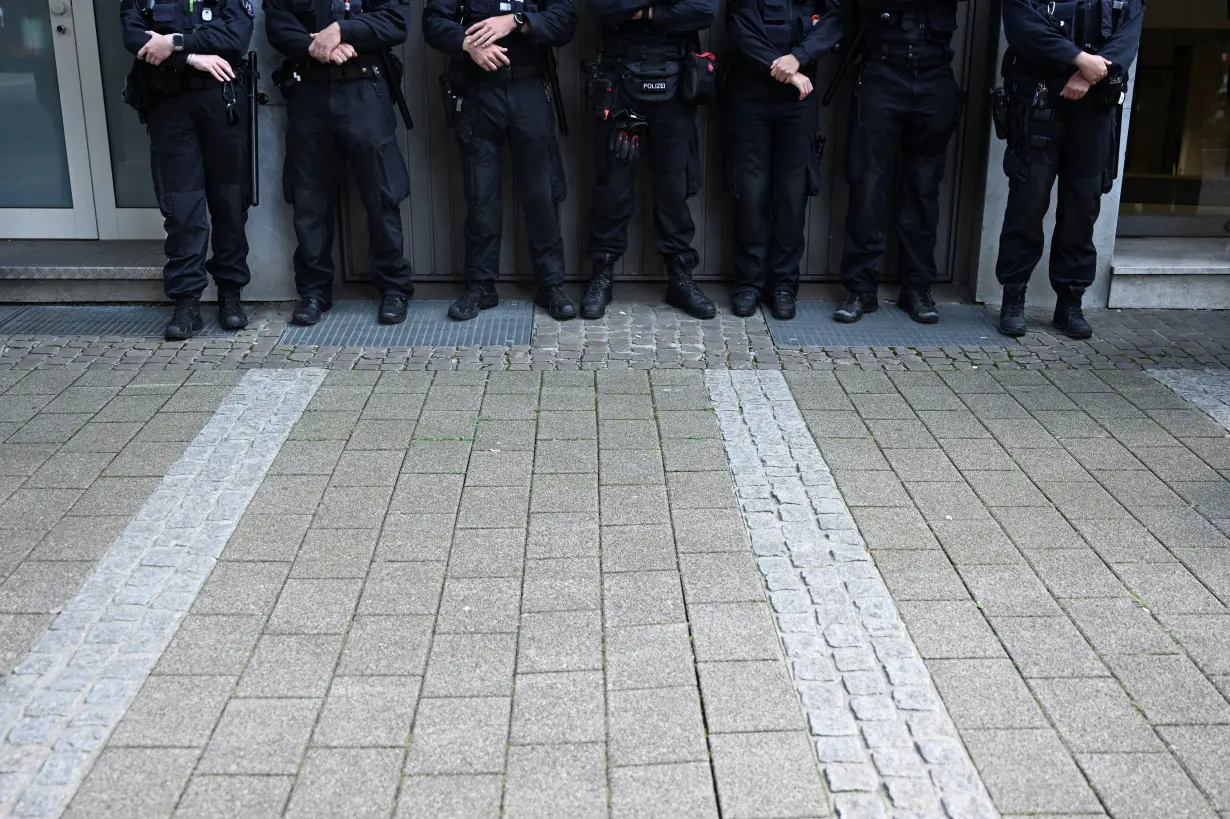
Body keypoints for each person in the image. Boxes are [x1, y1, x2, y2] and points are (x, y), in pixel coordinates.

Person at [995, 0, 1144, 339]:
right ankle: (1013, 296)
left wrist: (1087, 76)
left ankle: (1069, 303)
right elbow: (1023, 29)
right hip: (1038, 102)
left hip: (1094, 109)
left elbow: (1126, 40)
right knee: (1027, 204)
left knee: (1082, 207)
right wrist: (1078, 60)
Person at [423, 0, 578, 321]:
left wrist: (518, 21)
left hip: (529, 87)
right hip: (479, 92)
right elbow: (434, 22)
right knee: (481, 195)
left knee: (542, 192)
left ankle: (550, 283)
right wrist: (467, 44)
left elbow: (565, 21)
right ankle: (481, 285)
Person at [265, 0, 415, 326]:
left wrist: (342, 30)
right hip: (309, 92)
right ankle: (314, 292)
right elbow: (278, 25)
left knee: (382, 194)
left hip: (365, 89)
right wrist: (316, 47)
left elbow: (396, 22)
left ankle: (393, 288)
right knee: (309, 199)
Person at [120, 0, 254, 340]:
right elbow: (136, 39)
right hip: (169, 106)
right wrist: (192, 57)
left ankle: (230, 294)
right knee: (181, 209)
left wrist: (174, 43)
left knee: (229, 203)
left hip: (221, 103)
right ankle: (187, 301)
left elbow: (235, 37)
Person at [579, 0, 719, 320]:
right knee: (613, 188)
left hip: (677, 84)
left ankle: (679, 276)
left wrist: (645, 12)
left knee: (674, 186)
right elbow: (603, 9)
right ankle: (602, 274)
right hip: (619, 83)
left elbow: (705, 10)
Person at [830, 0, 966, 326]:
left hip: (934, 77)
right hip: (881, 75)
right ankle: (861, 288)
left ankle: (917, 288)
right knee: (868, 185)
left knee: (923, 188)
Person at [724, 0, 842, 319]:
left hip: (798, 102)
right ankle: (748, 283)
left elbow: (834, 21)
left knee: (792, 195)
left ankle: (783, 286)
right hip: (750, 95)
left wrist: (797, 58)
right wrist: (784, 68)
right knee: (750, 192)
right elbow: (739, 28)